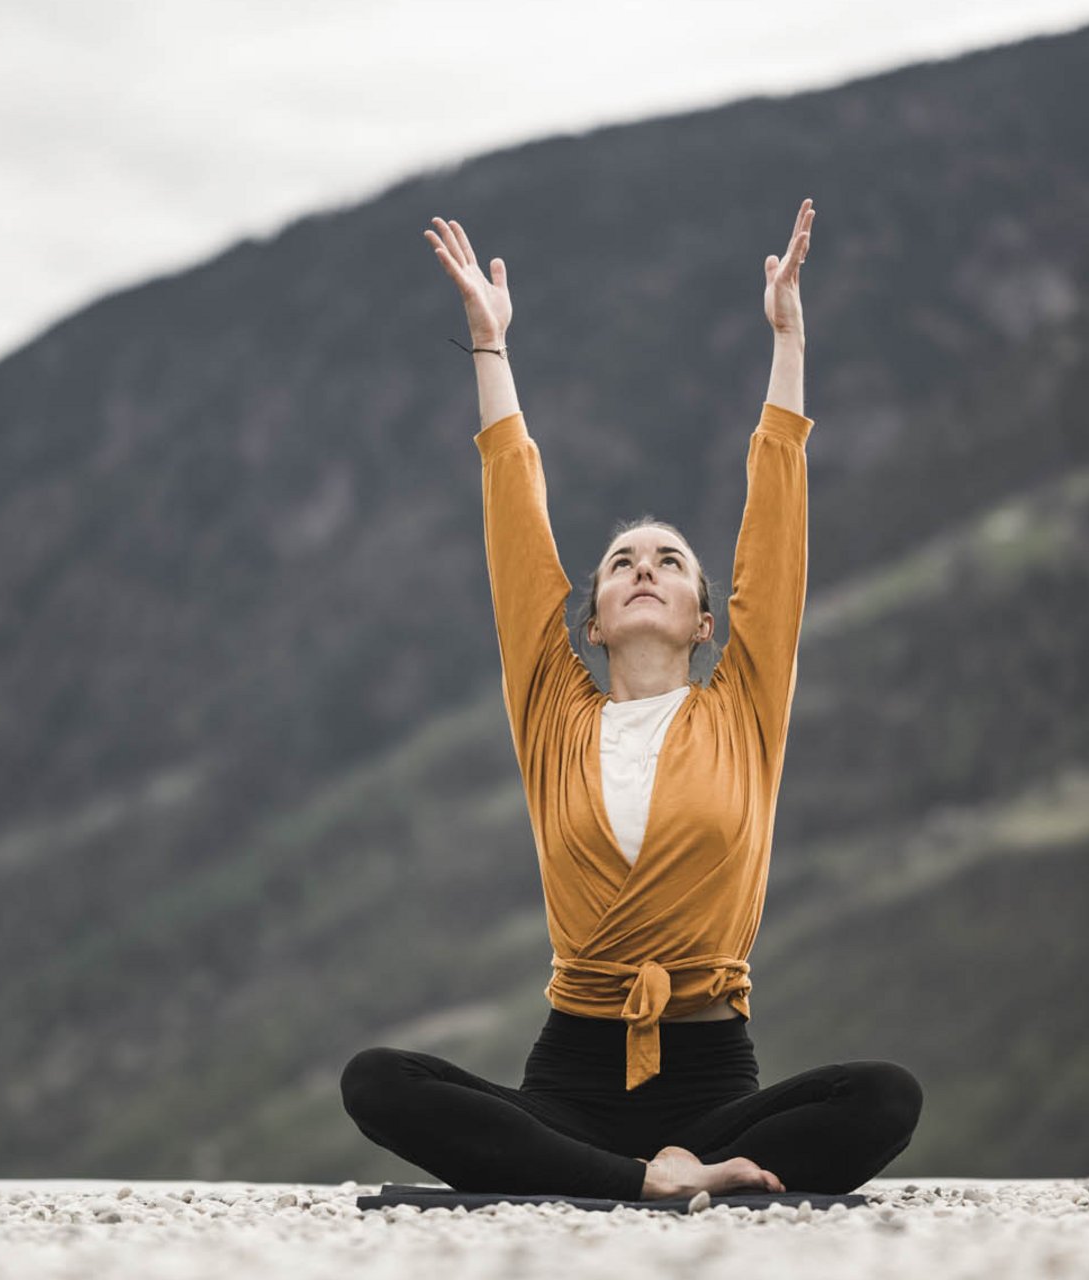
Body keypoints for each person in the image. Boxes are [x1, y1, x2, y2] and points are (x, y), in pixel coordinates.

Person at [339, 202, 921, 1201]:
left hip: (712, 1078)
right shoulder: (555, 713)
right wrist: (489, 344)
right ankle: (646, 1178)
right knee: (380, 1081)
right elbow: (517, 528)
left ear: (706, 618)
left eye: (669, 561)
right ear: (593, 618)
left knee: (884, 1096)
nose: (643, 567)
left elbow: (777, 526)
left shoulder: (742, 706)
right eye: (620, 561)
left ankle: (624, 1174)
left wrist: (787, 338)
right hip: (569, 1080)